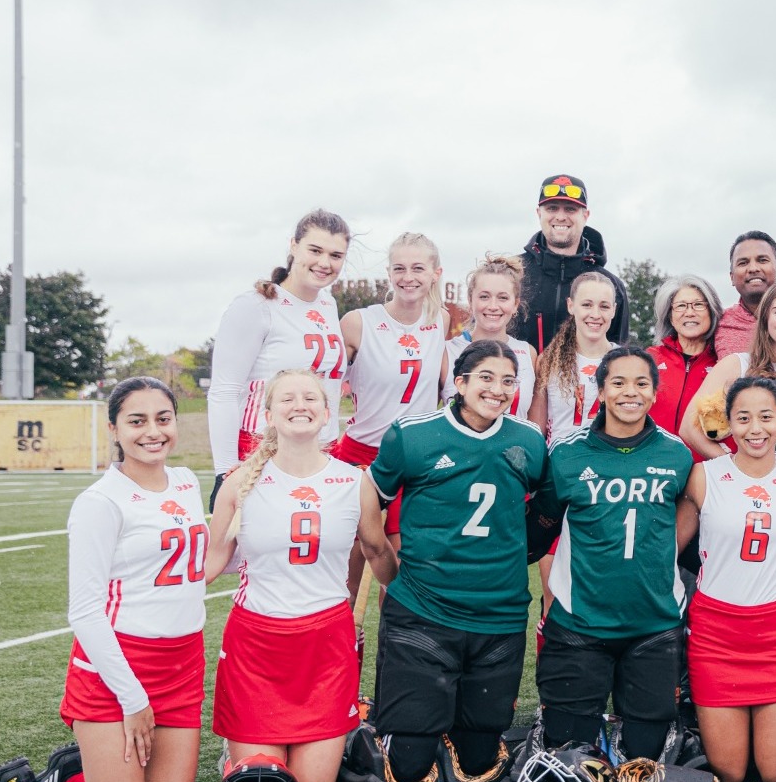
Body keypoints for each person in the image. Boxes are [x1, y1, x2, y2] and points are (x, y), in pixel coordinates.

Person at [205, 369, 395, 782]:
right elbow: (211, 563)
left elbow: (376, 549)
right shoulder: (238, 483)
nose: (299, 405)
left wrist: (409, 596)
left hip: (325, 645)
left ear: (328, 414)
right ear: (269, 414)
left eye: (310, 397)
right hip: (256, 646)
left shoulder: (354, 482)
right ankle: (239, 755)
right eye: (287, 399)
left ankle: (263, 755)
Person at [363, 340, 549, 782]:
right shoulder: (413, 434)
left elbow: (545, 514)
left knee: (478, 763)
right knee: (407, 768)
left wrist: (515, 558)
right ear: (460, 382)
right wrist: (395, 577)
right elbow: (370, 504)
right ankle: (380, 741)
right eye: (486, 377)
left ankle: (462, 742)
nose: (498, 389)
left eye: (508, 380)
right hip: (426, 610)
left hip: (498, 612)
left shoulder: (527, 439)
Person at [529, 347, 699, 760]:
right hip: (581, 620)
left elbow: (690, 508)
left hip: (653, 620)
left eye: (641, 383)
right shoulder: (567, 452)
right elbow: (540, 527)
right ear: (600, 391)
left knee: (646, 758)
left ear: (655, 393)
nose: (630, 392)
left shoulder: (676, 454)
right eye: (618, 382)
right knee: (566, 752)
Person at [61, 378, 207, 782]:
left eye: (163, 419)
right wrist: (132, 697)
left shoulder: (186, 482)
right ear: (114, 428)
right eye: (137, 421)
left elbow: (193, 567)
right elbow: (84, 612)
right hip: (117, 669)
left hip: (182, 664)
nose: (153, 432)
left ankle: (91, 777)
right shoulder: (100, 502)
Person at [683, 378, 776, 782]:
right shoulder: (704, 476)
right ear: (729, 424)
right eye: (743, 418)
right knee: (730, 772)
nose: (755, 428)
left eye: (765, 417)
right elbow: (669, 549)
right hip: (717, 632)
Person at [333, 232, 449, 592]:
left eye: (418, 268)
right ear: (388, 272)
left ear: (435, 273)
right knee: (348, 565)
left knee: (398, 570)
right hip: (360, 454)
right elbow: (325, 385)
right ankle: (348, 646)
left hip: (413, 457)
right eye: (399, 268)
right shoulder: (357, 322)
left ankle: (395, 647)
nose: (408, 277)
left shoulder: (441, 320)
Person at [208, 210, 349, 481]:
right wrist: (224, 472)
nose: (324, 262)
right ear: (294, 245)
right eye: (315, 250)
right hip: (264, 448)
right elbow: (224, 391)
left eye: (335, 255)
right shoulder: (255, 306)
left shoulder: (328, 304)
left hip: (324, 450)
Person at [683, 280, 776, 460]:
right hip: (757, 481)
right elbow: (688, 428)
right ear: (765, 319)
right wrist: (735, 465)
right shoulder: (736, 364)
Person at [517, 175, 630, 352]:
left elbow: (617, 356)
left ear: (585, 216)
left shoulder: (610, 286)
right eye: (552, 208)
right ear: (539, 213)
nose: (560, 217)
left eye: (570, 209)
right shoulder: (512, 276)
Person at [528, 270, 620, 447]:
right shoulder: (549, 360)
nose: (595, 314)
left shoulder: (625, 361)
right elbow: (537, 430)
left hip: (607, 464)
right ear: (571, 305)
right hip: (560, 464)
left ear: (614, 310)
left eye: (604, 306)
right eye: (586, 304)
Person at [445, 254, 539, 418]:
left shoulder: (528, 353)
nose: (493, 306)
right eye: (484, 297)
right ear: (470, 300)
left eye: (503, 298)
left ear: (515, 304)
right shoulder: (447, 352)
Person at [648, 274, 723, 457]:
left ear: (711, 312)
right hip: (655, 470)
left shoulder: (724, 362)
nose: (689, 312)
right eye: (681, 306)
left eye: (698, 304)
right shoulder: (649, 359)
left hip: (707, 472)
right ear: (670, 316)